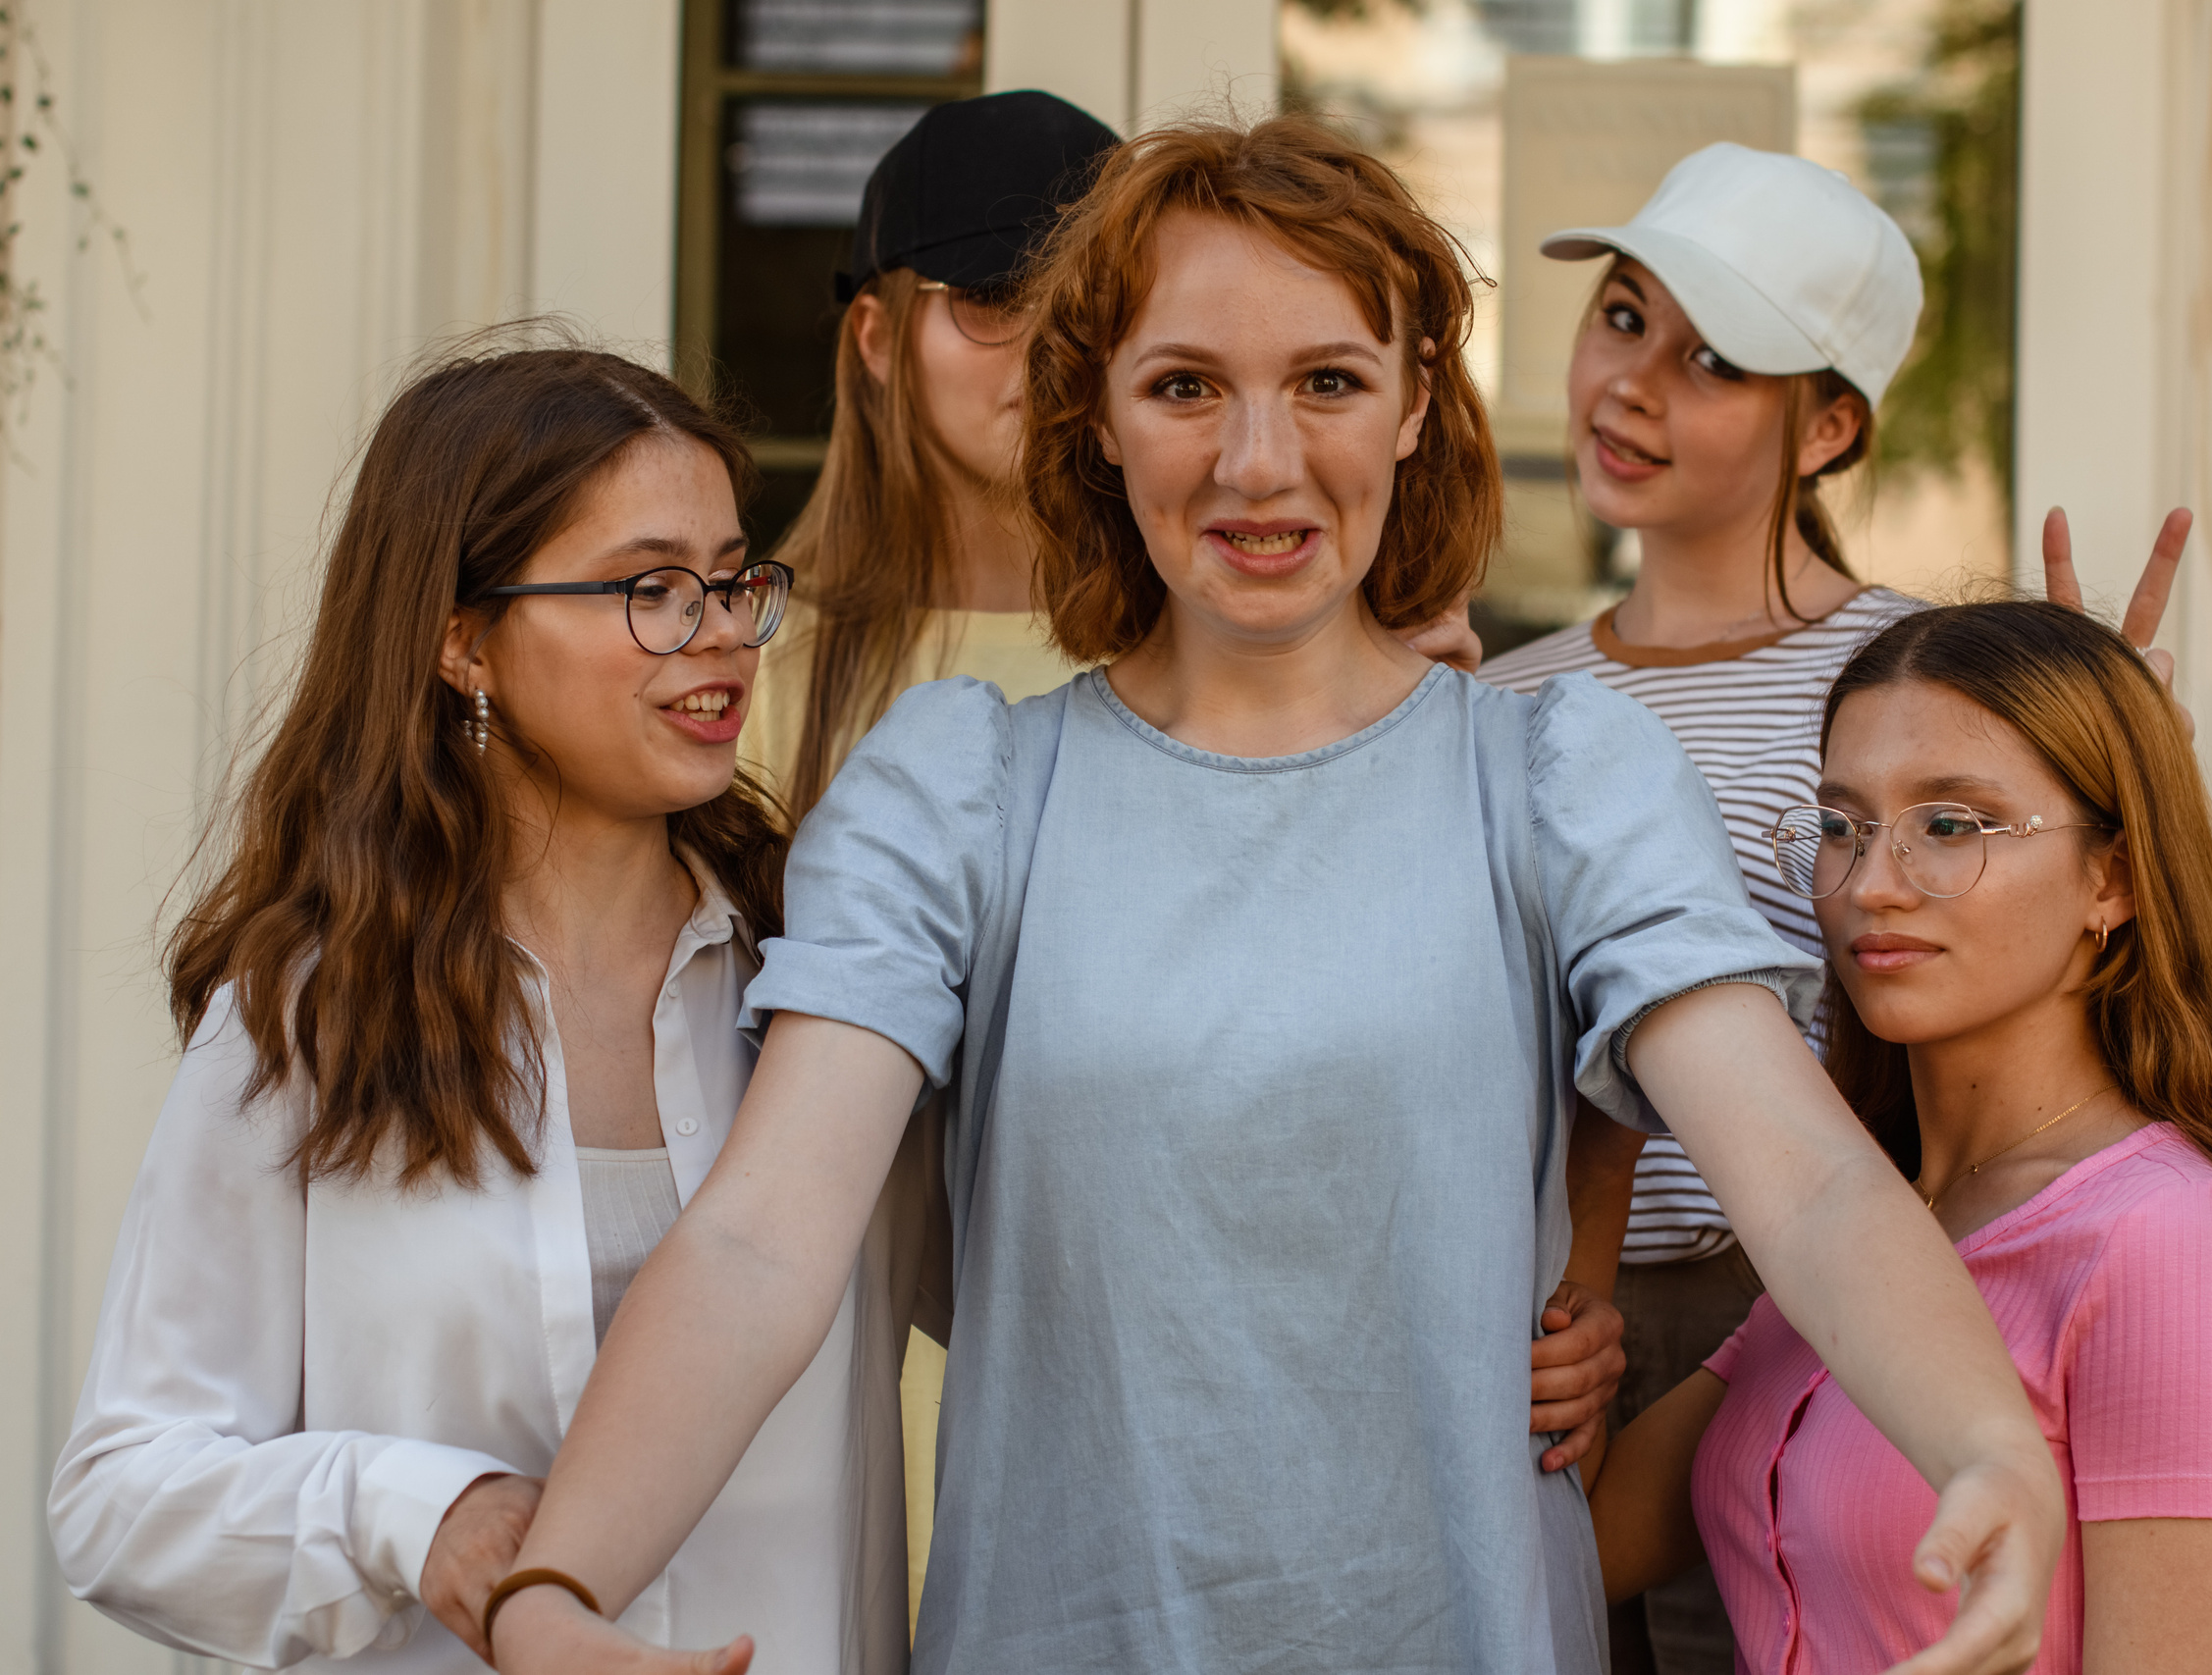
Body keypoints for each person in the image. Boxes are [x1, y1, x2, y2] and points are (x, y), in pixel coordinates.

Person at [488, 114, 2063, 1675]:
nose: (1259, 461)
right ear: (1096, 415)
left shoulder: (1558, 775)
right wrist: (561, 1573)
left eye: (1327, 380)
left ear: (1412, 405)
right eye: (1185, 386)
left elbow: (1807, 1176)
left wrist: (1988, 1439)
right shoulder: (960, 792)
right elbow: (764, 1239)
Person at [770, 90, 1629, 1535]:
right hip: (872, 1399)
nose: (1041, 336)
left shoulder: (1281, 633)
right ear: (876, 336)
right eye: (995, 297)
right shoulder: (771, 687)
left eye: (1076, 301)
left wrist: (1574, 1277)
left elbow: (1506, 1034)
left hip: (1238, 1441)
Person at [47, 341, 922, 1673]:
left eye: (736, 579)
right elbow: (120, 1495)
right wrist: (412, 1508)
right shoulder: (310, 1015)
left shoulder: (818, 983)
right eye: (650, 588)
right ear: (465, 639)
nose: (727, 634)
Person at [1478, 144, 2193, 1671]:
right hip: (1551, 1319)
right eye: (1621, 316)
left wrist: (2109, 736)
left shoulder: (1905, 676)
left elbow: (2048, 942)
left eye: (1717, 358)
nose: (1635, 383)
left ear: (1834, 423)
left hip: (1809, 1291)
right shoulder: (1501, 696)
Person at [1585, 600, 2212, 1675]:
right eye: (1839, 825)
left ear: (2112, 878)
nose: (1869, 884)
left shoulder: (2162, 1244)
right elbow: (1583, 1548)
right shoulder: (1869, 1229)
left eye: (1950, 826)